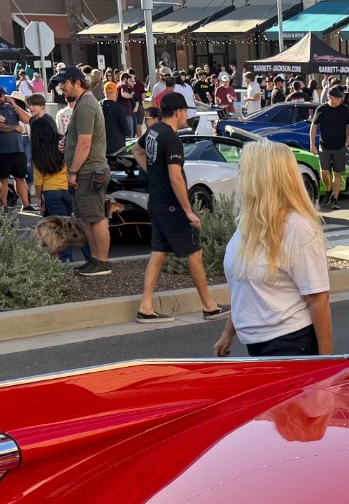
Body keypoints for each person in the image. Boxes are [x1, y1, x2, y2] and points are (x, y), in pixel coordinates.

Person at [214, 138, 333, 357]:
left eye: (245, 169)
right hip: (255, 343)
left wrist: (325, 365)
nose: (240, 176)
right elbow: (243, 287)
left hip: (291, 343)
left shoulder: (298, 227)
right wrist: (228, 332)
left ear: (261, 177)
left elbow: (318, 299)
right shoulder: (249, 222)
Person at [131, 92, 225, 323]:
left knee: (158, 253)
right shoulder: (172, 139)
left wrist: (152, 174)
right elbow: (176, 178)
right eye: (186, 112)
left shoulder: (153, 131)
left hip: (157, 201)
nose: (188, 116)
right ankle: (210, 306)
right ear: (179, 112)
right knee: (194, 252)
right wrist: (188, 211)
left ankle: (146, 307)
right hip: (171, 206)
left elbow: (136, 150)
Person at [55, 65, 112, 277]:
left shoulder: (86, 105)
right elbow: (80, 139)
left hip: (89, 172)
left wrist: (72, 171)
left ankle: (102, 262)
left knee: (96, 218)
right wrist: (66, 143)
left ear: (77, 83)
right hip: (84, 172)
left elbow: (85, 143)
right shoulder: (83, 103)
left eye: (64, 83)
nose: (61, 87)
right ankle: (94, 259)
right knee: (86, 218)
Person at [0, 86, 32, 211]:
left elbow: (27, 119)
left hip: (18, 149)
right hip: (1, 151)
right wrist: (14, 127)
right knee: (3, 179)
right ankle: (4, 206)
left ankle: (26, 204)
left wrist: (15, 105)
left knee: (20, 178)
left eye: (0, 95)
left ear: (5, 95)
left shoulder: (11, 108)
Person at [309, 85, 349, 211]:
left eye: (341, 97)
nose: (340, 100)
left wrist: (348, 142)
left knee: (337, 173)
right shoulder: (322, 109)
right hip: (324, 146)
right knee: (324, 171)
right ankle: (328, 190)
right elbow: (314, 126)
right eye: (338, 97)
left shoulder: (344, 109)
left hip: (340, 146)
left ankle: (335, 199)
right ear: (329, 97)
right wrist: (312, 143)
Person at [100, 82, 132, 158]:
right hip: (118, 148)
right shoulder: (119, 108)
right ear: (116, 94)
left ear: (104, 93)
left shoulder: (97, 106)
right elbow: (126, 130)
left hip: (101, 148)